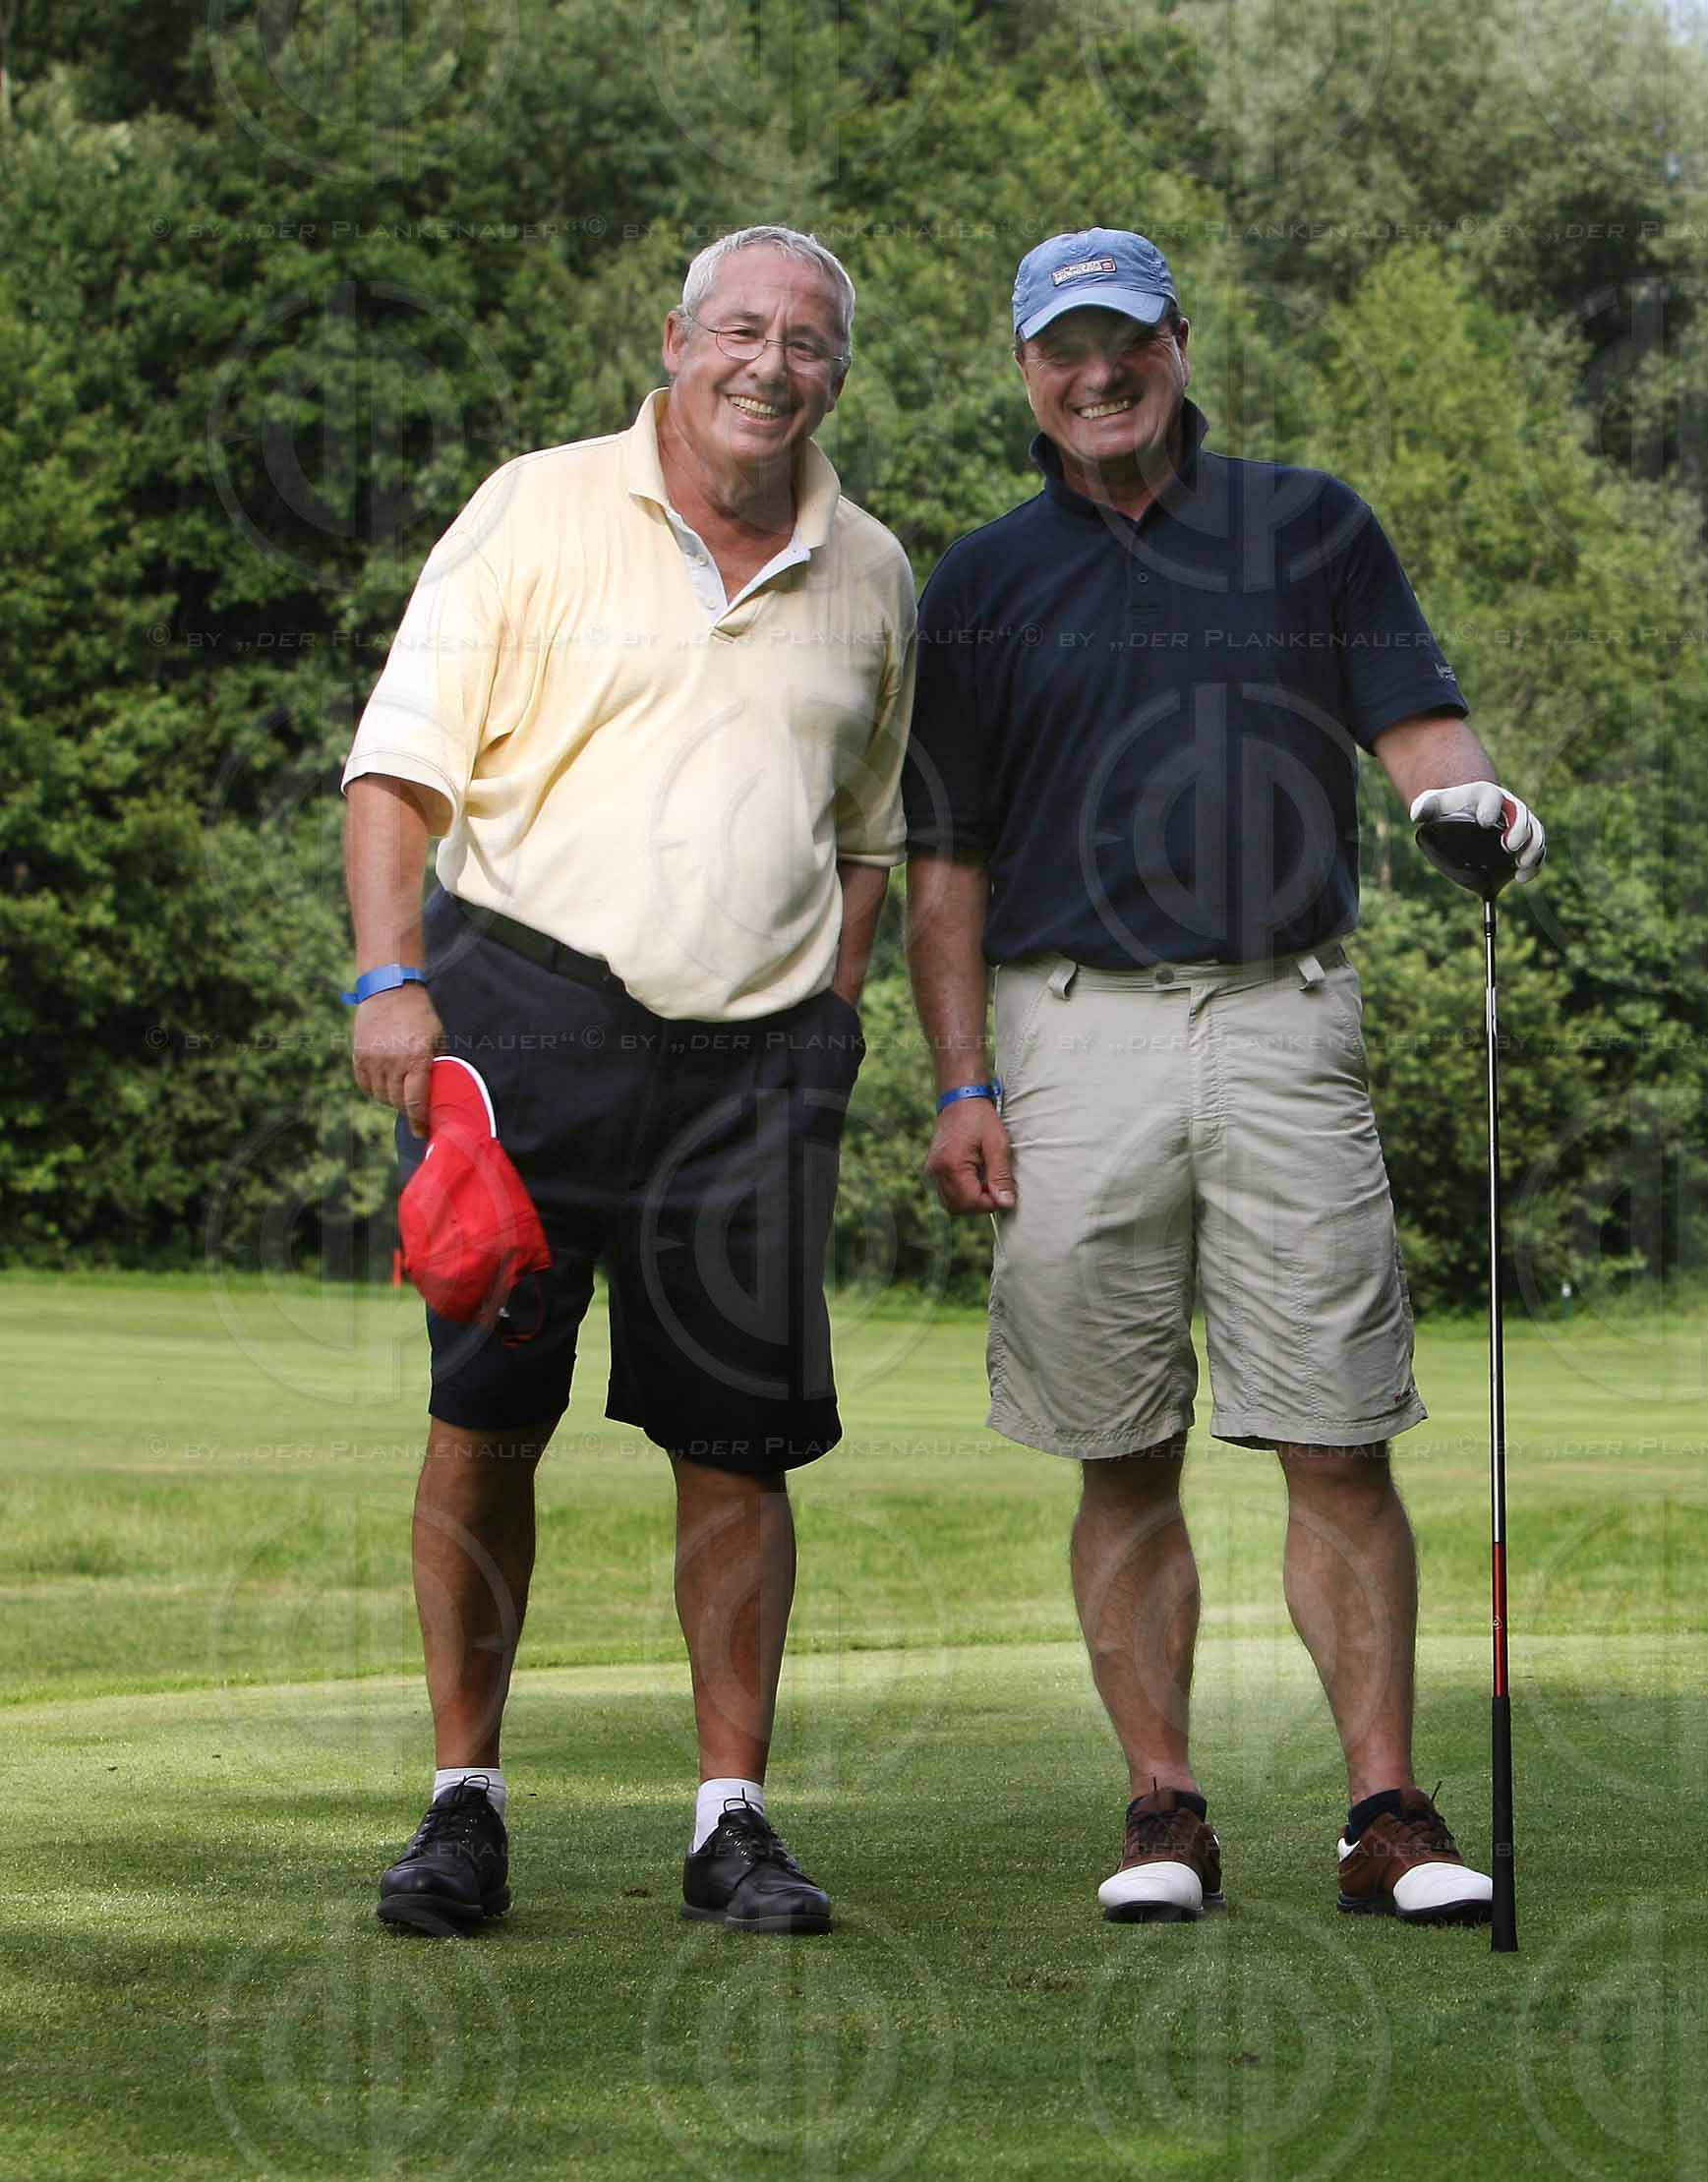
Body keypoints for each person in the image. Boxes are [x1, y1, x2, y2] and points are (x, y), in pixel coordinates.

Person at [903, 228, 1548, 1925]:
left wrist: (1470, 809)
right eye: (1063, 348)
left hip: (1281, 1016)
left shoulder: (1310, 526)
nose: (1096, 374)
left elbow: (1419, 729)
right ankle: (1163, 1814)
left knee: (1337, 1436)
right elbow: (944, 863)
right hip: (1065, 1030)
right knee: (1119, 1448)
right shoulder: (978, 583)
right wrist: (960, 1082)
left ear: (1178, 343)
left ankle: (1385, 1816)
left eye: (1125, 340)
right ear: (1024, 370)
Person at [339, 225, 914, 1935]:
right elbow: (396, 772)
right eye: (740, 330)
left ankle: (731, 1822)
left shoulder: (873, 569)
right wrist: (390, 978)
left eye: (806, 342)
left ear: (836, 373)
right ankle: (462, 1805)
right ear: (674, 339)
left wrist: (832, 1024)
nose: (769, 365)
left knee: (739, 1447)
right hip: (522, 1023)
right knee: (485, 1422)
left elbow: (871, 834)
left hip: (755, 1073)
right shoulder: (533, 506)